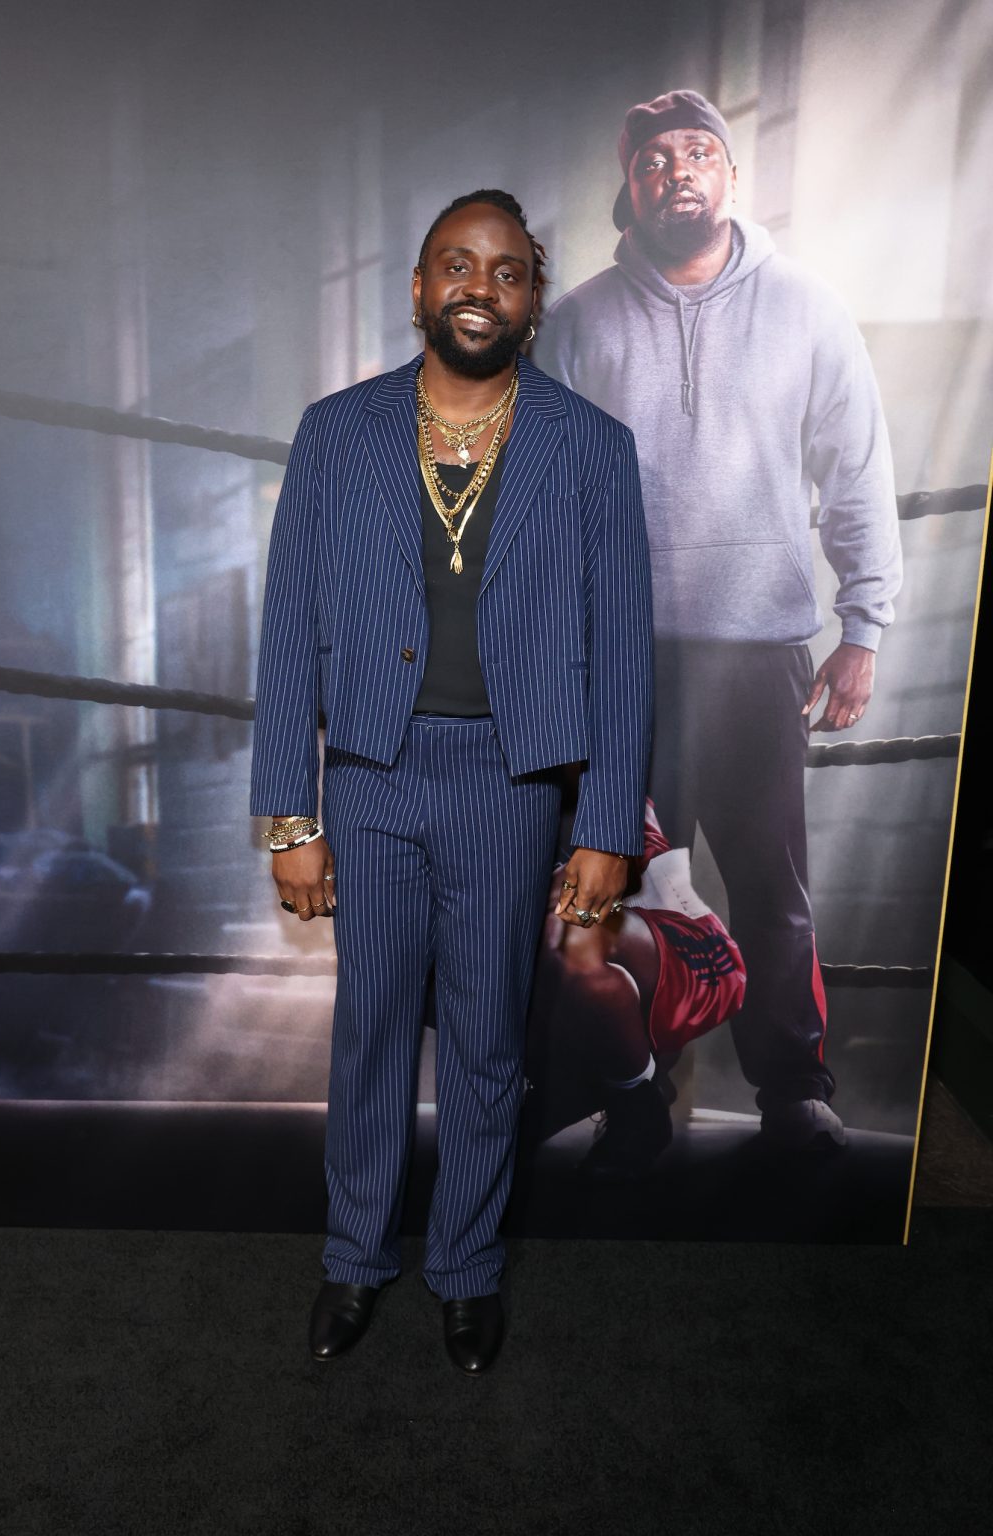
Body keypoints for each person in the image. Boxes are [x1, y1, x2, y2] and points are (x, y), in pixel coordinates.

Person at [250, 190, 653, 1372]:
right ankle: (353, 1258)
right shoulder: (336, 432)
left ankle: (467, 1271)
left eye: (507, 270)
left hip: (510, 785)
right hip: (371, 774)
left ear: (532, 298)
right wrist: (290, 816)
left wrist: (606, 827)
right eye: (457, 265)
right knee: (370, 1030)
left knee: (485, 1041)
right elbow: (287, 630)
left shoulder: (592, 446)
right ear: (421, 287)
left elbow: (625, 652)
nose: (481, 286)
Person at [534, 90, 903, 1149]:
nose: (678, 171)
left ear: (732, 176)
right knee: (620, 893)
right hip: (622, 664)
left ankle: (794, 1094)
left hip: (760, 653)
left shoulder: (807, 309)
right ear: (630, 187)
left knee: (771, 891)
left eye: (699, 152)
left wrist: (863, 626)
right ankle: (637, 1104)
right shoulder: (581, 323)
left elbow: (856, 470)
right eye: (654, 159)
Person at [520, 794, 746, 1179]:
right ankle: (568, 1084)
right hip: (569, 958)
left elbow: (587, 882)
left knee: (556, 933)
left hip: (678, 952)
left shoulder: (591, 774)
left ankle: (636, 1106)